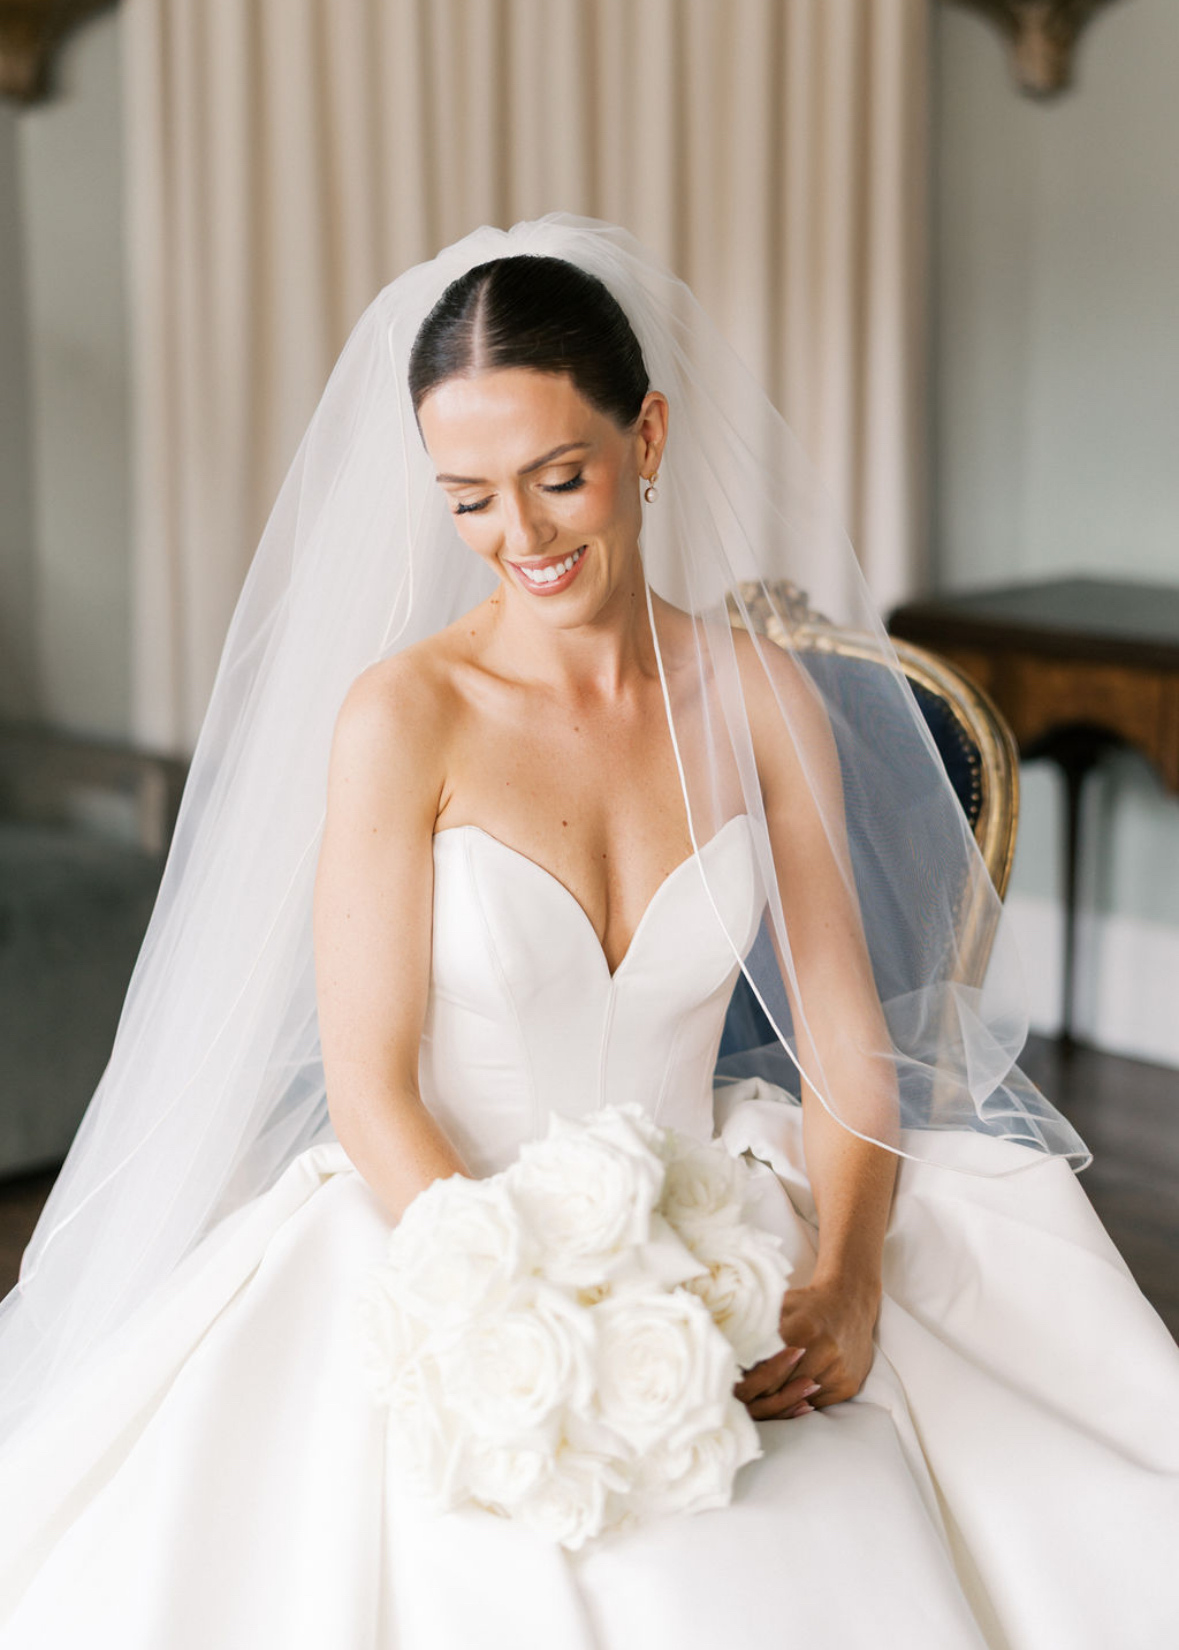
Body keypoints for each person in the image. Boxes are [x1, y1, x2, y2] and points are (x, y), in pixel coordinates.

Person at [0, 215, 1176, 1648]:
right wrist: (522, 1305)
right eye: (470, 500)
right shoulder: (402, 715)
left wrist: (844, 1276)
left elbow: (845, 1038)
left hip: (714, 1205)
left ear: (648, 438)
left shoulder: (761, 701)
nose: (522, 538)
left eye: (558, 477)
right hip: (437, 1219)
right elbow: (371, 1084)